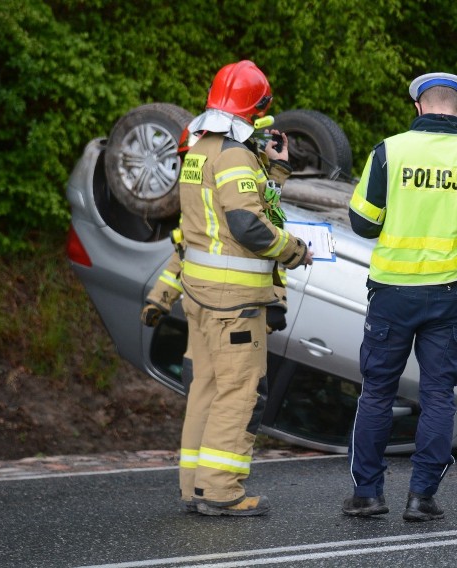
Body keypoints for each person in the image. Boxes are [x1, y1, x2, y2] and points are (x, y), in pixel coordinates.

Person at [344, 72, 457, 521]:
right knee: (438, 395)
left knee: (377, 392)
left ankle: (367, 495)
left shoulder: (388, 151)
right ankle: (421, 497)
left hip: (392, 294)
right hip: (449, 294)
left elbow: (362, 223)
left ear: (418, 107)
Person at [174, 60, 312, 516]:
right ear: (258, 107)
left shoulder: (200, 150)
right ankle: (222, 492)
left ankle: (195, 486)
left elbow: (231, 208)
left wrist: (275, 172)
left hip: (199, 294)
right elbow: (248, 225)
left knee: (207, 390)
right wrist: (293, 251)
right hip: (232, 300)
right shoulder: (234, 155)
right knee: (239, 392)